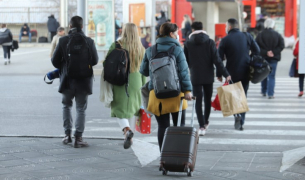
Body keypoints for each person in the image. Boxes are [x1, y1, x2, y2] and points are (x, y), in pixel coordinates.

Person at [140, 22, 193, 150]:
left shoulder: (150, 50)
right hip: (177, 94)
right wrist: (188, 90)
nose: (178, 35)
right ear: (171, 34)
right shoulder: (177, 49)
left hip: (157, 95)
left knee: (162, 127)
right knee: (179, 125)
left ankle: (164, 157)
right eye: (177, 33)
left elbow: (144, 71)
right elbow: (183, 71)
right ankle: (178, 155)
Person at [51, 16, 99, 148]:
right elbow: (94, 60)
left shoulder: (63, 40)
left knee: (66, 106)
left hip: (67, 80)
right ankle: (78, 138)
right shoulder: (89, 41)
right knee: (80, 109)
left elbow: (55, 62)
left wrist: (65, 65)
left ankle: (67, 136)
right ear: (82, 26)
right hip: (83, 81)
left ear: (69, 26)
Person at [184, 21, 231, 136]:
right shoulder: (210, 42)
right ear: (203, 28)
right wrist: (226, 74)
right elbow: (217, 60)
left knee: (198, 101)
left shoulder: (188, 43)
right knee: (207, 100)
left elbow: (185, 62)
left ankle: (201, 126)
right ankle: (206, 122)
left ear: (193, 30)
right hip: (208, 76)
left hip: (195, 76)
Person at [105, 23, 146, 149]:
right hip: (137, 80)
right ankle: (129, 137)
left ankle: (127, 130)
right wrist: (143, 82)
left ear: (124, 31)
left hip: (120, 80)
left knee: (119, 109)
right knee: (134, 109)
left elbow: (107, 62)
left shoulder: (117, 45)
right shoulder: (141, 48)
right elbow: (144, 69)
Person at [218, 18, 260, 131]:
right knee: (243, 95)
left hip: (230, 72)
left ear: (229, 27)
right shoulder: (247, 36)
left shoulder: (225, 39)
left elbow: (219, 59)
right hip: (245, 70)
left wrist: (219, 74)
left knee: (233, 95)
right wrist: (249, 59)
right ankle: (241, 121)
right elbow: (257, 50)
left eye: (226, 26)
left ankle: (236, 116)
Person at [256, 18, 284, 99]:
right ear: (273, 25)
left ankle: (263, 91)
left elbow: (256, 47)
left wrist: (266, 52)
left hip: (263, 58)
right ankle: (270, 94)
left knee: (263, 74)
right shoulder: (277, 34)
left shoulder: (260, 35)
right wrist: (273, 52)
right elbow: (282, 45)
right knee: (272, 76)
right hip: (274, 58)